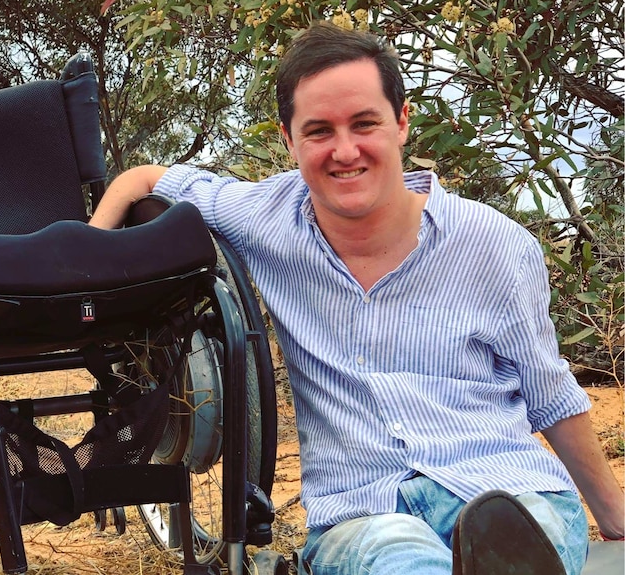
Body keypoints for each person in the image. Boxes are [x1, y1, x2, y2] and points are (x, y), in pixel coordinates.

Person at [89, 22, 624, 575]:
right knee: (396, 560)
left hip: (502, 486)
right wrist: (86, 277)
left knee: (523, 526)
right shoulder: (264, 217)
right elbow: (144, 180)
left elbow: (550, 393)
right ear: (288, 139)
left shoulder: (494, 244)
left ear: (401, 122)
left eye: (365, 123)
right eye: (319, 130)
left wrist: (615, 518)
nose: (346, 151)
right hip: (364, 509)